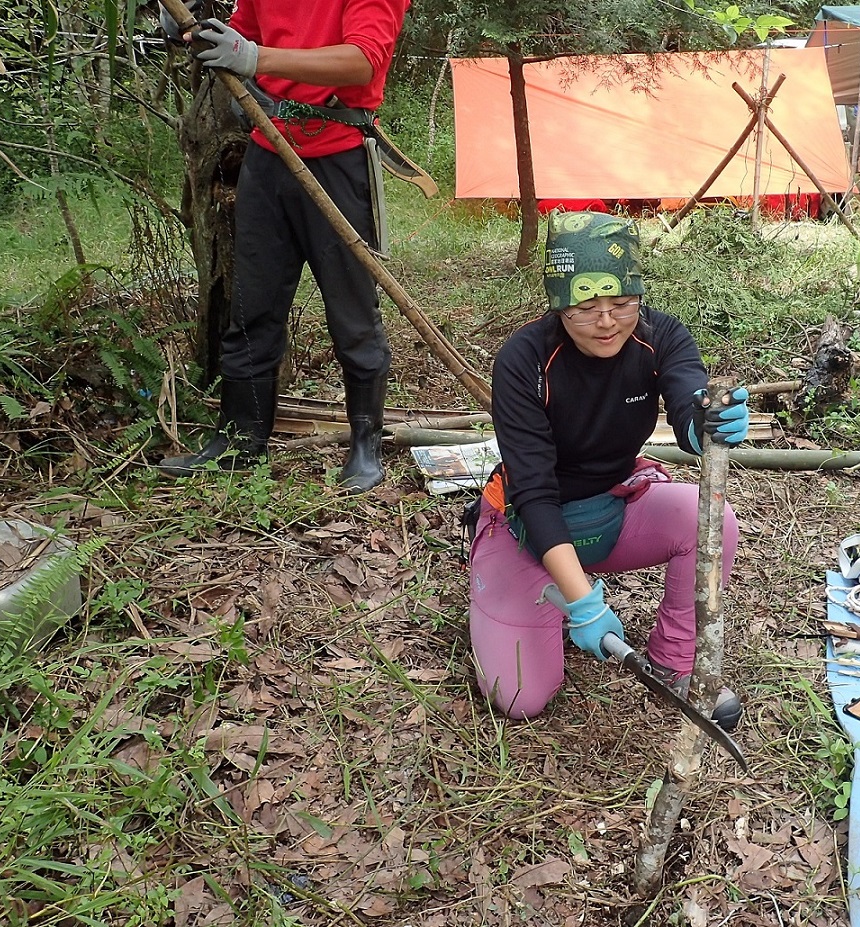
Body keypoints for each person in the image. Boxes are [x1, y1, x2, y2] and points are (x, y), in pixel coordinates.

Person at [468, 211, 750, 730]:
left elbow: (687, 401)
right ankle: (527, 586)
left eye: (621, 304)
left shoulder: (661, 337)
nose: (607, 322)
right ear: (559, 304)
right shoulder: (524, 360)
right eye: (586, 308)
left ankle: (675, 663)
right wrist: (583, 603)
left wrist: (707, 425)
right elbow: (534, 491)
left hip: (611, 506)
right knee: (519, 696)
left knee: (713, 521)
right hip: (528, 525)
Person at [158, 0, 409, 493]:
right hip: (268, 150)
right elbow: (242, 34)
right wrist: (198, 32)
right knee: (252, 308)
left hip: (339, 156)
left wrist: (255, 58)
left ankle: (365, 444)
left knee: (353, 312)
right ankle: (240, 441)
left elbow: (363, 60)